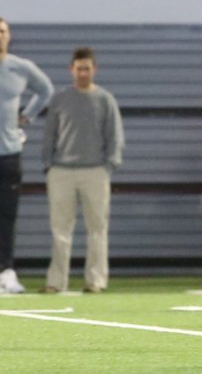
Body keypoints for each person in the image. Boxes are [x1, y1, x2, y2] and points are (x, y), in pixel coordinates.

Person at [41, 47, 124, 293]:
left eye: (87, 68)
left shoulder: (105, 100)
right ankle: (56, 283)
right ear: (72, 70)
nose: (83, 73)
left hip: (95, 171)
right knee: (60, 229)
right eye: (79, 68)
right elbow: (49, 135)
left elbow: (115, 135)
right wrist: (49, 164)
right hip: (61, 172)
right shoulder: (60, 99)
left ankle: (96, 281)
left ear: (94, 69)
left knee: (97, 228)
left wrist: (109, 165)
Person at [0, 17, 54, 294]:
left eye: (2, 31)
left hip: (9, 153)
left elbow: (45, 91)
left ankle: (6, 272)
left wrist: (27, 117)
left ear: (9, 36)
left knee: (7, 216)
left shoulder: (20, 68)